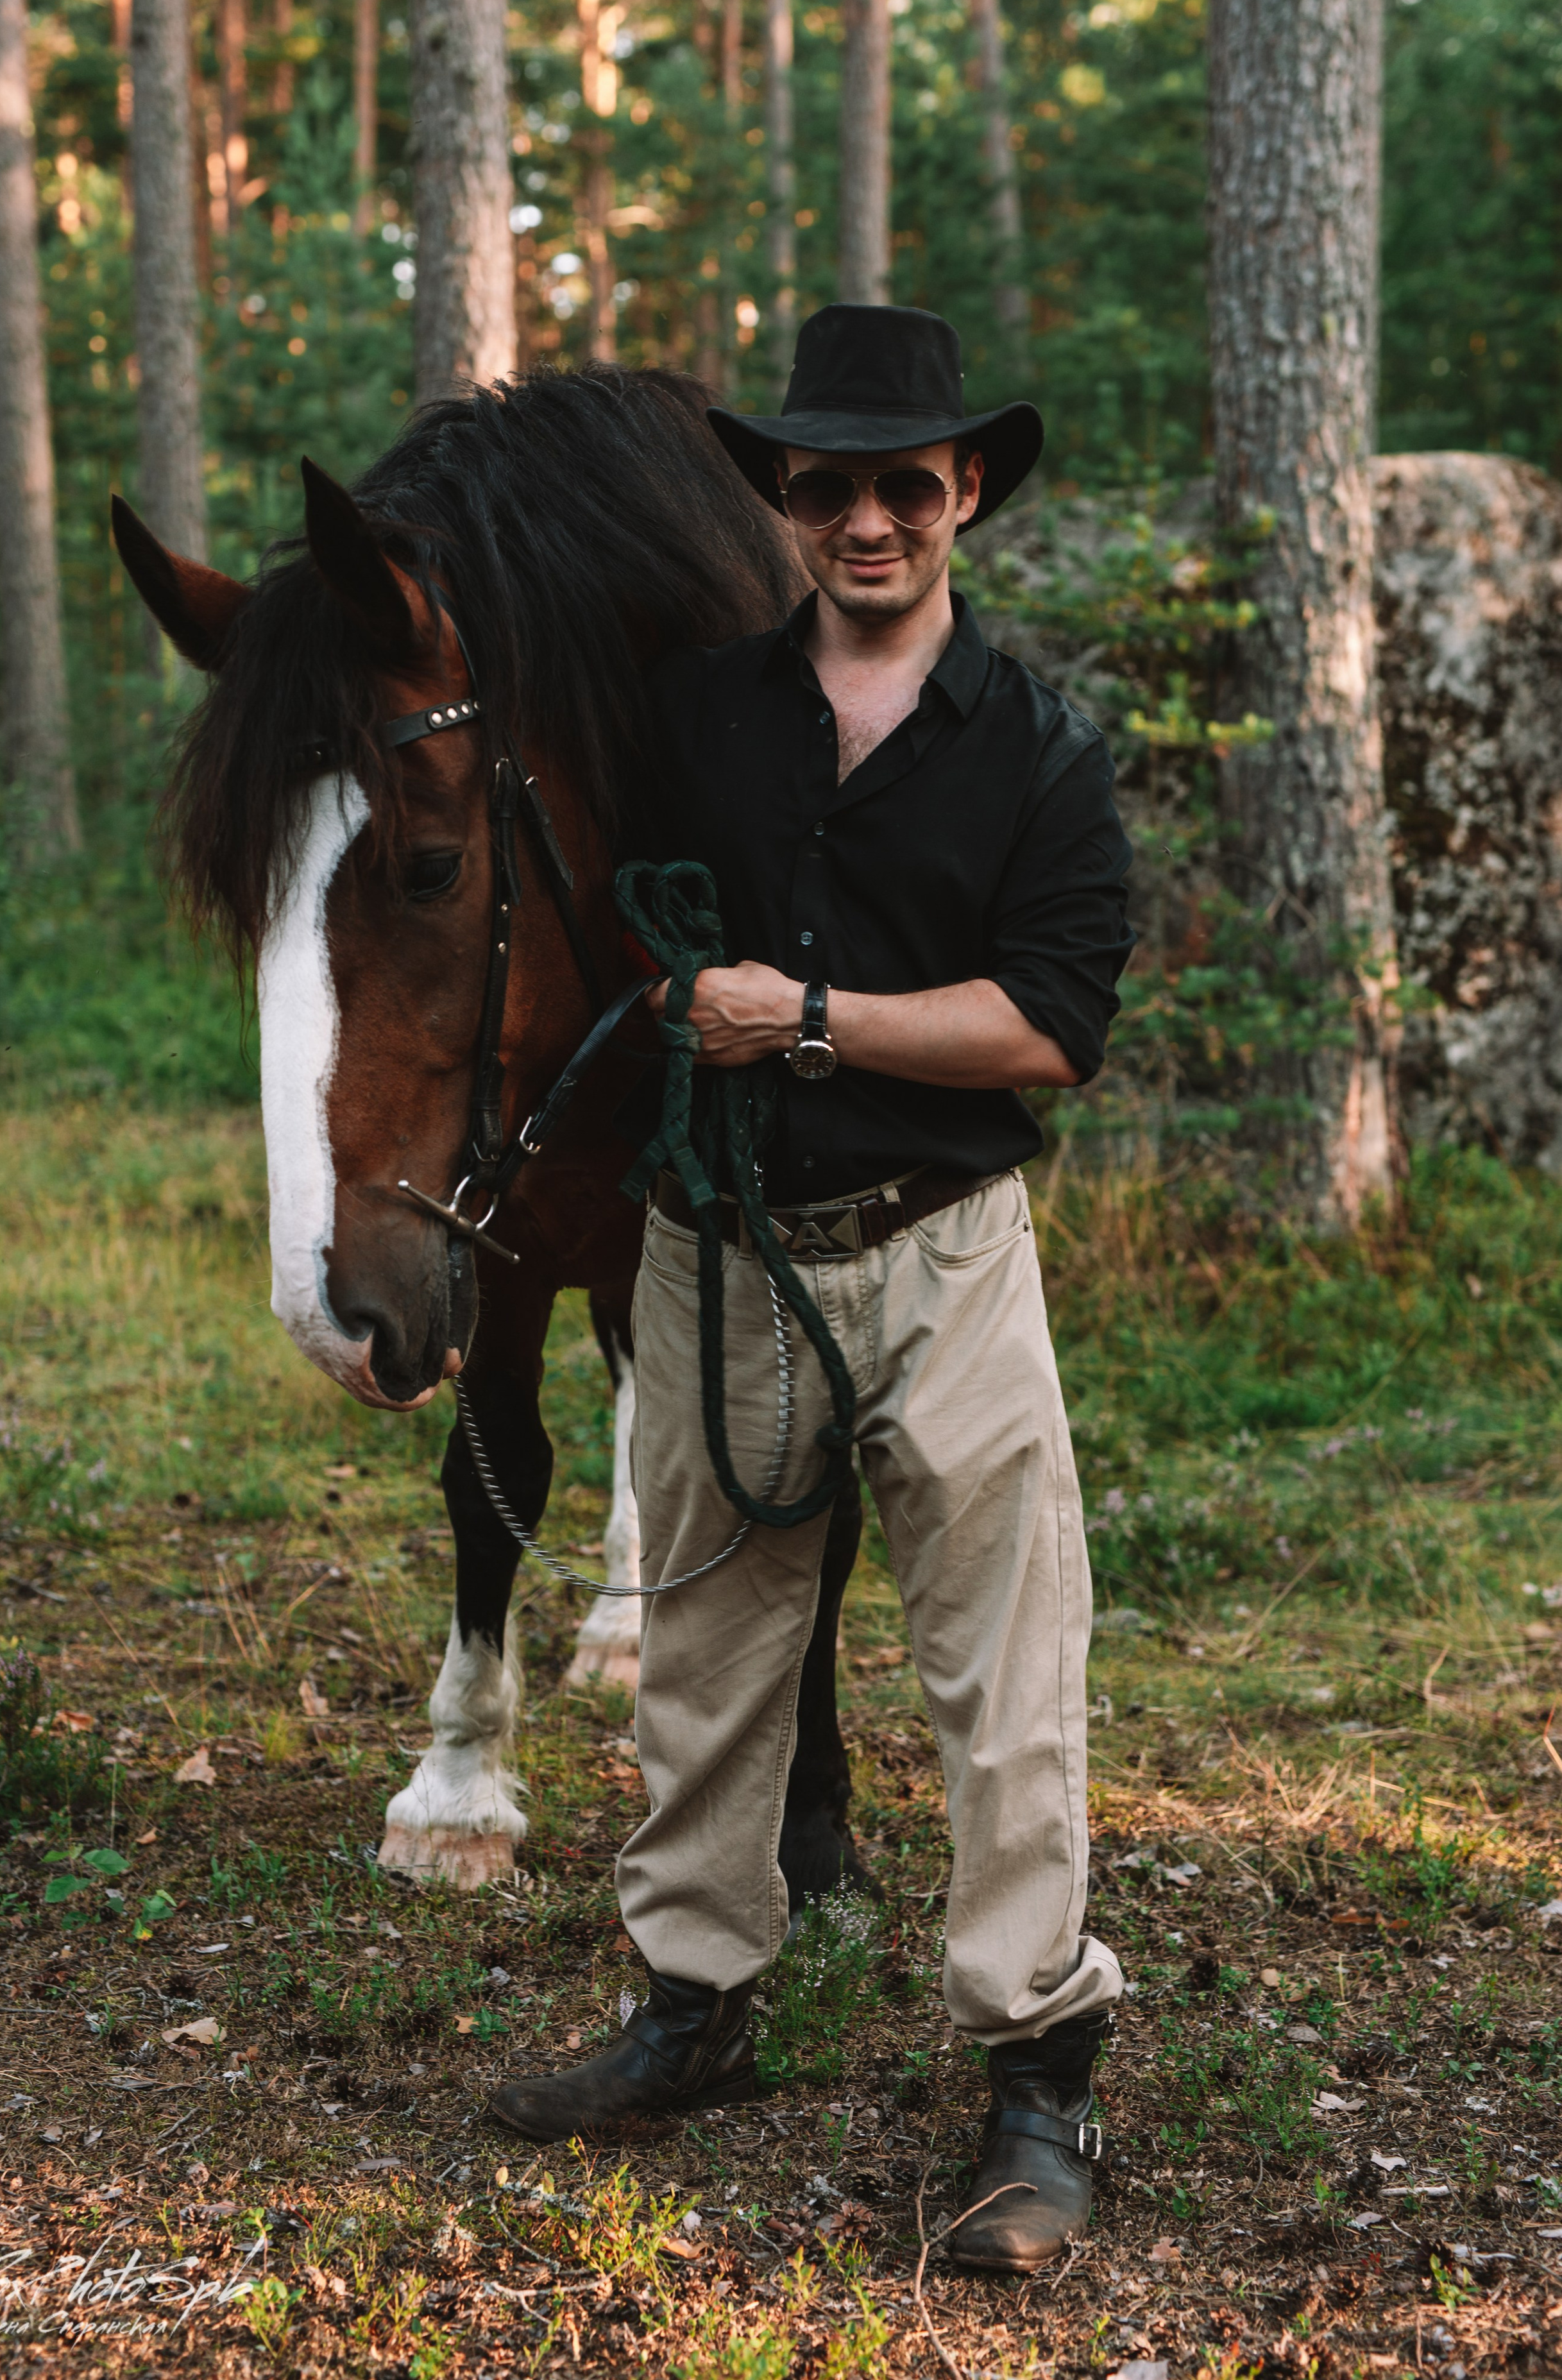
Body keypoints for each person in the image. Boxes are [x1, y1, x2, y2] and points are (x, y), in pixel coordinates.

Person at [490, 303, 1132, 2274]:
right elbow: (582, 897)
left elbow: (1052, 1027)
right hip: (719, 1248)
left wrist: (811, 1015)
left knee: (1003, 1666)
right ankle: (693, 2005)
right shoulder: (691, 719)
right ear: (784, 496)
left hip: (945, 1250)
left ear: (964, 493)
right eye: (831, 486)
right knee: (703, 1635)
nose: (869, 520)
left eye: (905, 486)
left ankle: (1037, 2074)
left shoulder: (1037, 749)